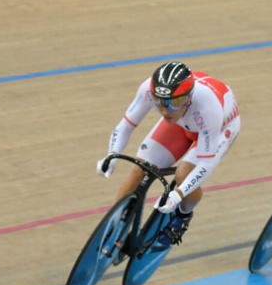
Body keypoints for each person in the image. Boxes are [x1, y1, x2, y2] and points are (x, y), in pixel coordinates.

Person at [96, 61, 240, 246]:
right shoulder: (149, 90)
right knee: (141, 168)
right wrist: (112, 154)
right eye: (159, 101)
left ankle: (184, 215)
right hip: (182, 122)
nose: (164, 110)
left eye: (174, 102)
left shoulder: (208, 108)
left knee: (183, 175)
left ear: (188, 98)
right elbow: (125, 125)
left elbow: (206, 164)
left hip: (219, 128)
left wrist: (179, 195)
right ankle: (110, 229)